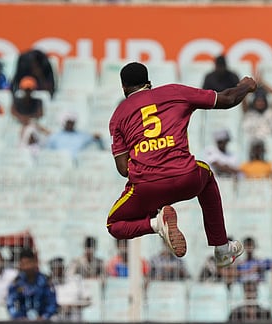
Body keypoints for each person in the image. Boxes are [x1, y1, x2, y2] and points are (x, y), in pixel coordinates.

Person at [107, 62, 258, 268]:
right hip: (186, 177)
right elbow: (228, 98)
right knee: (206, 175)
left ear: (123, 88)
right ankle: (222, 248)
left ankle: (155, 224)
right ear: (149, 83)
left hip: (147, 188)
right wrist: (245, 86)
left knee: (114, 224)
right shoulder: (174, 92)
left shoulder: (118, 115)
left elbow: (123, 169)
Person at [6, 248, 57, 321]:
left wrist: (44, 317)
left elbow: (52, 303)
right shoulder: (16, 283)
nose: (27, 267)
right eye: (23, 264)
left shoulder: (45, 281)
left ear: (35, 263)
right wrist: (20, 317)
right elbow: (11, 303)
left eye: (29, 263)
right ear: (20, 265)